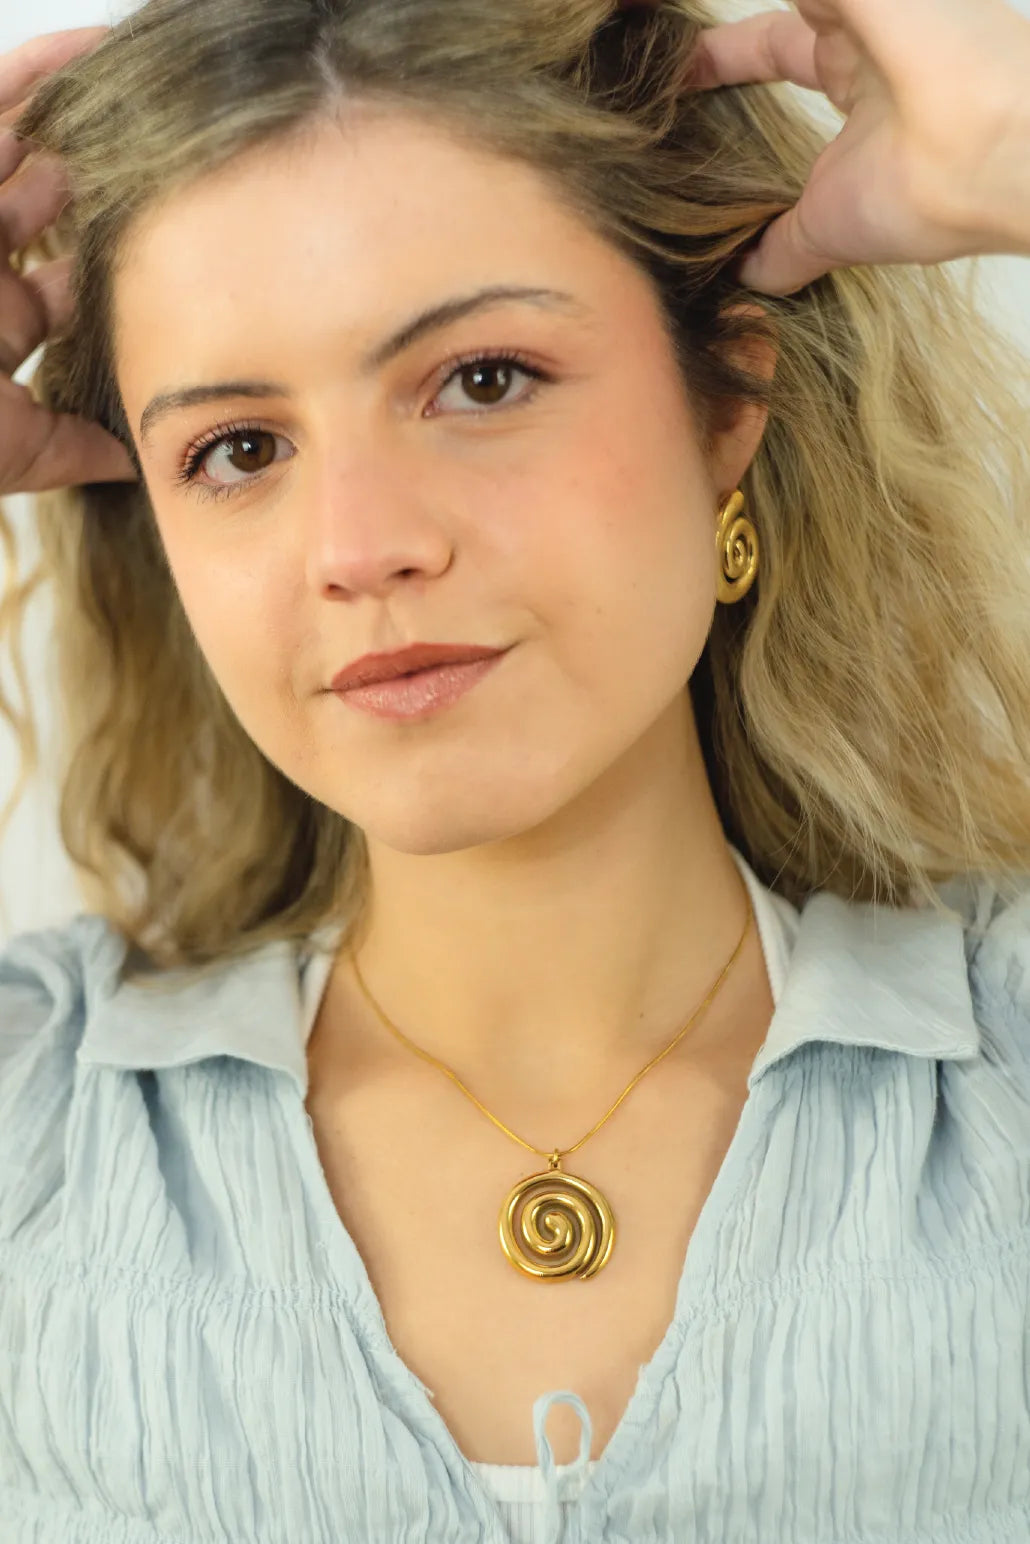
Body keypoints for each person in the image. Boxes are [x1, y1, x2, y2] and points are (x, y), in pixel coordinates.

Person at [0, 1, 1029, 1540]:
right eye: (237, 451)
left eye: (479, 380)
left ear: (724, 402)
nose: (360, 550)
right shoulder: (34, 1113)